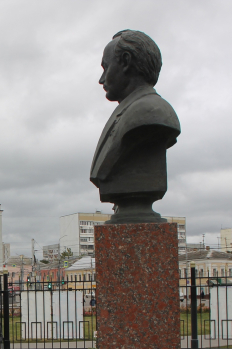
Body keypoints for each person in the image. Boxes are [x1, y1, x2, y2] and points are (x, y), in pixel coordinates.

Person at [89, 30, 180, 223]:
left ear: (126, 61)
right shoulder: (128, 113)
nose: (102, 78)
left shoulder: (151, 112)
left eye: (106, 67)